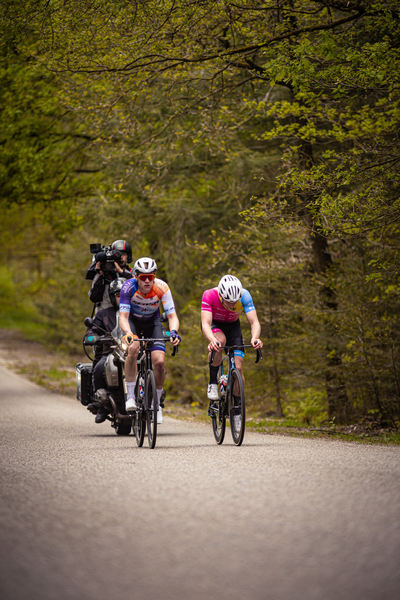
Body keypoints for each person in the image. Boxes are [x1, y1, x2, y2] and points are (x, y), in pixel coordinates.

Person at [119, 257, 181, 424]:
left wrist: (174, 332)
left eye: (150, 277)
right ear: (136, 276)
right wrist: (128, 333)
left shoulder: (162, 288)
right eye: (143, 277)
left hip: (153, 323)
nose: (147, 281)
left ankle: (157, 404)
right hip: (133, 322)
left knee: (159, 362)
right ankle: (130, 396)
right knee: (132, 349)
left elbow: (172, 316)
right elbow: (123, 316)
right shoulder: (127, 288)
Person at [201, 274, 263, 403]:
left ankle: (237, 409)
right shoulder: (209, 295)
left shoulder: (245, 295)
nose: (232, 305)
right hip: (215, 325)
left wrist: (255, 338)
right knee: (220, 342)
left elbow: (254, 322)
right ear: (221, 296)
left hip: (233, 326)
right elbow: (205, 323)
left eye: (235, 302)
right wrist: (212, 340)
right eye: (229, 302)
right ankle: (212, 382)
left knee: (238, 368)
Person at [85, 278, 125, 423]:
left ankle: (152, 400)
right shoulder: (103, 314)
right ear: (113, 296)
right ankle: (102, 404)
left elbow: (150, 325)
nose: (121, 298)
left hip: (133, 352)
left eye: (124, 294)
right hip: (110, 352)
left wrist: (162, 333)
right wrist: (92, 336)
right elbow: (93, 329)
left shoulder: (138, 312)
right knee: (99, 367)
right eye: (118, 294)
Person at [85, 239, 133, 310]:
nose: (121, 257)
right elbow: (94, 297)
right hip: (106, 316)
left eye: (124, 254)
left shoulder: (133, 272)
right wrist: (100, 274)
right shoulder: (105, 274)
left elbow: (139, 286)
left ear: (128, 256)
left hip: (129, 313)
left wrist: (121, 272)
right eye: (118, 254)